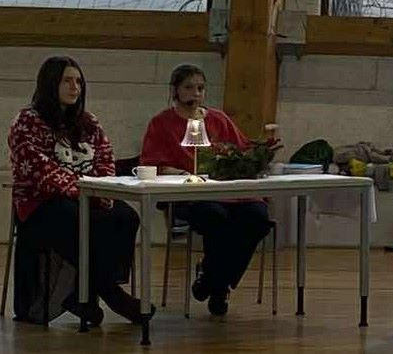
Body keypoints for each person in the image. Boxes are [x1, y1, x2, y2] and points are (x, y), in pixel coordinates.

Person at [7, 56, 150, 326]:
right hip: (41, 202)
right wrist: (84, 192)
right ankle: (113, 296)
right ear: (50, 84)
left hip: (87, 195)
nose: (75, 87)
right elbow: (40, 169)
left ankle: (83, 294)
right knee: (75, 219)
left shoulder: (88, 121)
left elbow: (105, 159)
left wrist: (100, 191)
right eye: (67, 81)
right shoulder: (26, 121)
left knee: (126, 217)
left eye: (79, 82)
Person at [139, 64, 273, 316]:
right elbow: (151, 163)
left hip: (230, 191)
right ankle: (219, 288)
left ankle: (212, 278)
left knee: (257, 218)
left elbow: (242, 149)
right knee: (215, 217)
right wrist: (180, 173)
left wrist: (257, 156)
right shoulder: (161, 123)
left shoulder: (219, 119)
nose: (196, 93)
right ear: (175, 91)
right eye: (189, 87)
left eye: (200, 88)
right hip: (190, 194)